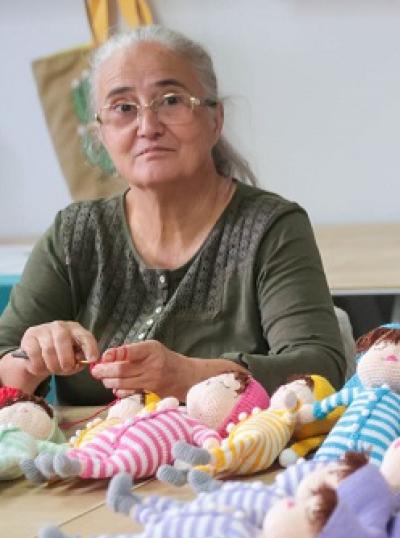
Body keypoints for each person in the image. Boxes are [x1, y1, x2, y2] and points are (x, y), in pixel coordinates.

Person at [0, 26, 346, 405]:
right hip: (85, 461)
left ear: (214, 119)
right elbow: (6, 355)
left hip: (233, 459)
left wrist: (188, 375)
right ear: (102, 136)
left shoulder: (271, 227)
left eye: (170, 100)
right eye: (123, 108)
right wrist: (30, 360)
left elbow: (318, 369)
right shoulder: (75, 233)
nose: (148, 126)